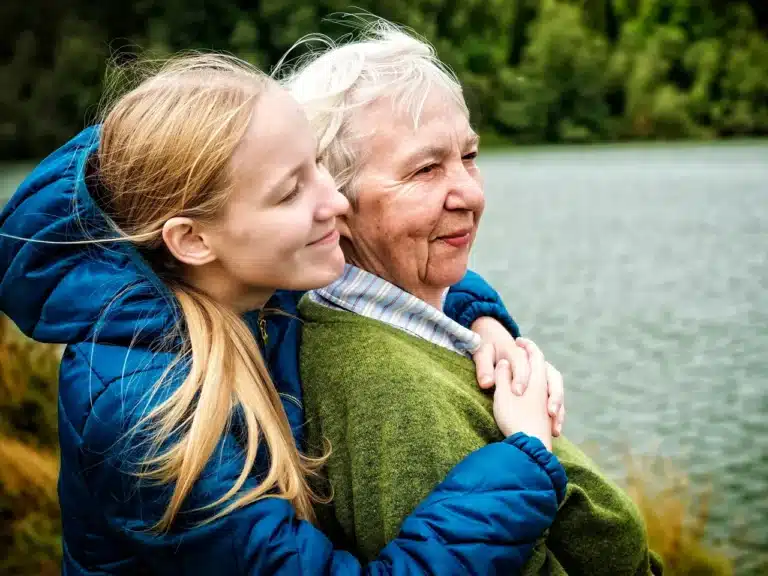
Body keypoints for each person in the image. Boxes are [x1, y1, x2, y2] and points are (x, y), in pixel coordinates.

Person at [0, 53, 567, 574]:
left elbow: (393, 271)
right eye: (290, 192)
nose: (335, 203)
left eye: (318, 167)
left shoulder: (255, 273)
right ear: (192, 239)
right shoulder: (143, 414)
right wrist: (523, 461)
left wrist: (481, 325)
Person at [289, 23, 665, 575]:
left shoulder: (412, 316)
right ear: (333, 204)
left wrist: (486, 321)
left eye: (469, 156)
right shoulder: (387, 393)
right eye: (425, 169)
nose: (470, 193)